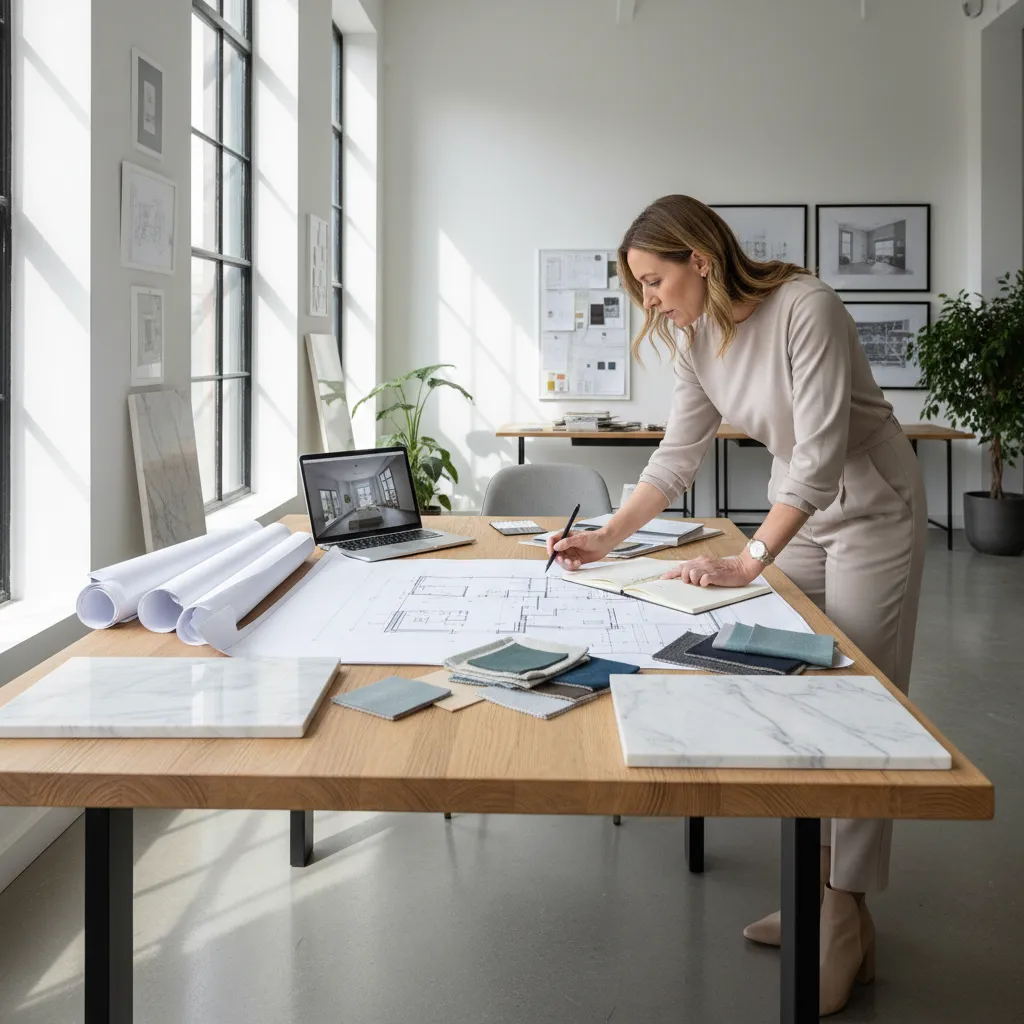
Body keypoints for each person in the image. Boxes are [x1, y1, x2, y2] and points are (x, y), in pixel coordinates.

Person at [547, 195, 926, 1017]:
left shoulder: (807, 309)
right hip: (808, 516)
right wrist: (607, 537)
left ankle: (848, 914)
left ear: (701, 261)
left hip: (870, 511)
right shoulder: (695, 337)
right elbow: (677, 454)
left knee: (863, 698)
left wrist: (751, 557)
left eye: (654, 279)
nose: (649, 299)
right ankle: (817, 889)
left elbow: (820, 455)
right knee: (790, 681)